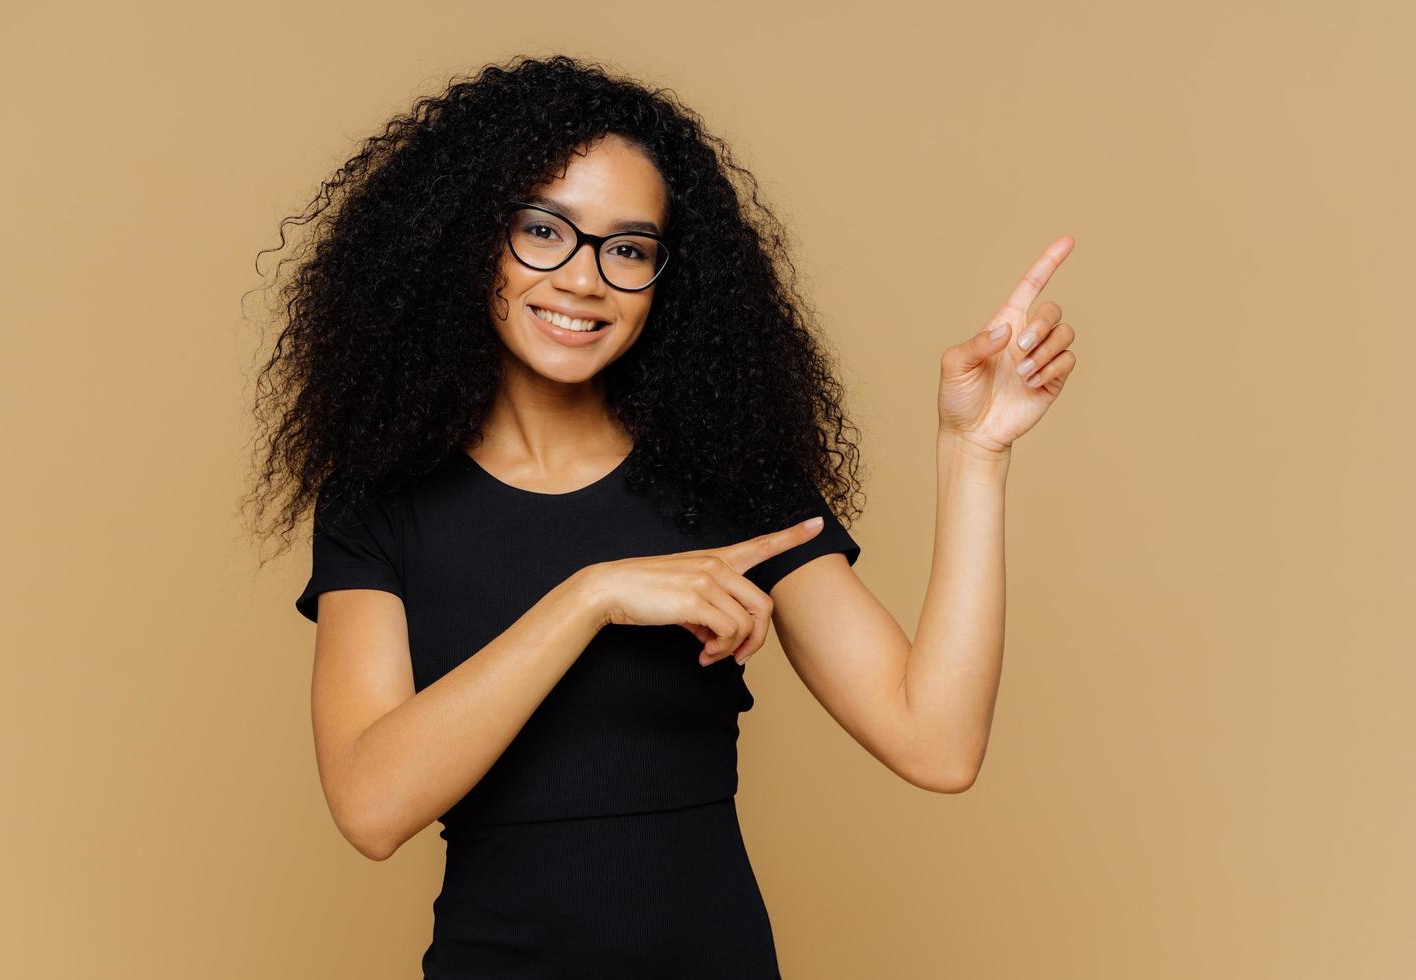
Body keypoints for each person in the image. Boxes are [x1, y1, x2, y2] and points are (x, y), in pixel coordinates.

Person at [246, 53, 1077, 979]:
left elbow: (937, 743)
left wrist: (975, 453)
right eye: (543, 231)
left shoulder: (727, 478)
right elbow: (369, 806)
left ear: (666, 281)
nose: (585, 278)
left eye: (629, 248)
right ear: (467, 238)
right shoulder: (382, 499)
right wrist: (590, 598)